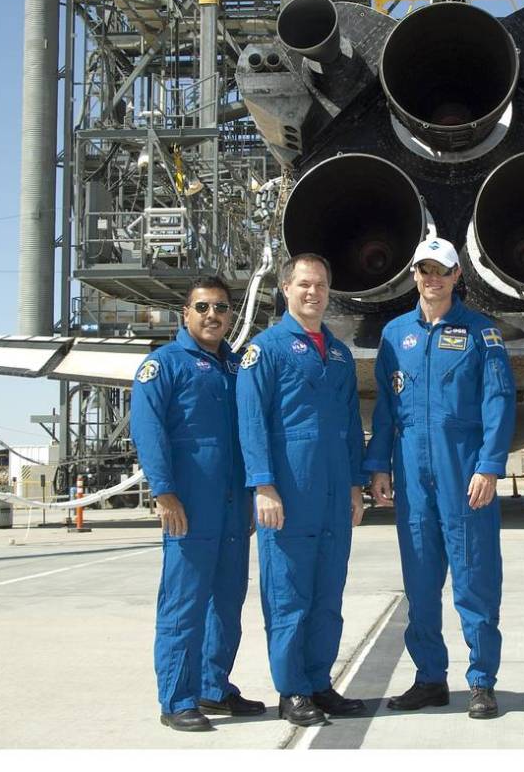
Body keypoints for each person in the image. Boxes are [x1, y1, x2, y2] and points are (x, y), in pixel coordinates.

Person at [365, 237, 516, 720]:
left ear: (457, 277)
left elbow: (498, 401)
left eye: (442, 270)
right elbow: (387, 407)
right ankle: (430, 677)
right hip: (412, 469)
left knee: (474, 576)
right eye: (424, 270)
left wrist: (491, 465)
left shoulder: (480, 333)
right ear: (413, 275)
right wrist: (379, 465)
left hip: (463, 468)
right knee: (421, 581)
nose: (433, 278)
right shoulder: (394, 335)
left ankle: (481, 680)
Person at [236, 253, 366, 727]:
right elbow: (251, 422)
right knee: (289, 594)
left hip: (333, 492)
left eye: (322, 286)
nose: (314, 293)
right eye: (305, 284)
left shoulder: (338, 353)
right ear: (286, 288)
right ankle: (292, 690)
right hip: (289, 493)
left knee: (328, 595)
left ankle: (318, 683)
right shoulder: (265, 349)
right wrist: (263, 486)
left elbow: (352, 425)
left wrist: (355, 485)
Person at [131, 276, 264, 732]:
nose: (213, 316)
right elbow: (147, 431)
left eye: (222, 308)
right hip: (189, 504)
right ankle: (176, 698)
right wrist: (164, 492)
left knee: (227, 602)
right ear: (185, 314)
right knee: (183, 605)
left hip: (232, 506)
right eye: (203, 307)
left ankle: (212, 686)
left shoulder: (236, 368)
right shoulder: (163, 365)